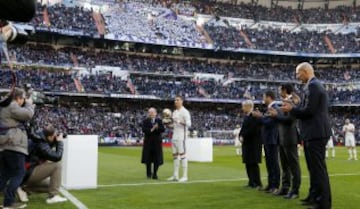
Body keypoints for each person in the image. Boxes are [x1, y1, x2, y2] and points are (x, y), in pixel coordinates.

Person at [281, 62, 332, 209]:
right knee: (313, 169)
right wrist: (294, 108)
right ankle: (314, 196)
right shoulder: (312, 85)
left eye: (298, 73)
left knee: (318, 169)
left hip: (316, 133)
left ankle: (323, 203)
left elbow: (309, 111)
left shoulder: (313, 86)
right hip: (313, 132)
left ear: (304, 71)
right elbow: (307, 109)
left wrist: (292, 109)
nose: (297, 76)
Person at [0, 88, 34, 209]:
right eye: (23, 98)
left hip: (5, 146)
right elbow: (28, 114)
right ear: (18, 98)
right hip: (14, 145)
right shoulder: (12, 105)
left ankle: (8, 202)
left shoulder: (4, 105)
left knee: (4, 175)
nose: (23, 101)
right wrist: (29, 105)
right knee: (20, 173)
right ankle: (9, 203)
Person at [19, 124, 67, 204]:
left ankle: (24, 189)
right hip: (27, 171)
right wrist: (60, 142)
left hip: (26, 172)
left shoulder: (40, 137)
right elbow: (57, 157)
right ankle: (53, 197)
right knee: (57, 165)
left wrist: (56, 140)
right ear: (49, 137)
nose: (55, 137)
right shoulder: (41, 143)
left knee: (52, 185)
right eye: (54, 136)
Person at [268, 84, 301, 199]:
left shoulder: (292, 102)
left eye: (279, 89)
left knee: (293, 165)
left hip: (290, 137)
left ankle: (295, 190)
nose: (278, 92)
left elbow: (289, 120)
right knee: (284, 165)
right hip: (282, 137)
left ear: (284, 90)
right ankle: (285, 188)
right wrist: (275, 115)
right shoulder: (284, 101)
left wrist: (276, 116)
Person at [252, 91, 280, 194]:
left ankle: (275, 185)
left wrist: (260, 117)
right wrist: (262, 117)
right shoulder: (269, 109)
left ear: (269, 97)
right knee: (269, 163)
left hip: (272, 139)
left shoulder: (275, 108)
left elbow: (269, 123)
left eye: (264, 97)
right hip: (267, 139)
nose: (263, 98)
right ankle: (270, 184)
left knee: (274, 163)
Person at [167, 96, 191, 183]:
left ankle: (185, 176)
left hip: (182, 136)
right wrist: (168, 124)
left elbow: (189, 124)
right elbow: (174, 125)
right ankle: (175, 175)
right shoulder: (175, 112)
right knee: (175, 156)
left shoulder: (185, 112)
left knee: (183, 155)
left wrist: (179, 121)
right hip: (175, 136)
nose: (175, 101)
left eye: (177, 100)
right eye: (175, 100)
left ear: (182, 101)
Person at [239, 100, 262, 189]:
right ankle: (251, 182)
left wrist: (243, 135)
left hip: (253, 144)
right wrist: (241, 135)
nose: (242, 108)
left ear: (248, 106)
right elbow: (243, 129)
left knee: (253, 163)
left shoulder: (254, 116)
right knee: (248, 163)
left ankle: (257, 182)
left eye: (244, 106)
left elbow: (253, 130)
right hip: (247, 143)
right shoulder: (247, 116)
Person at [141, 108, 165, 180]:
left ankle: (155, 174)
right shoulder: (145, 121)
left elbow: (163, 129)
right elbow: (144, 130)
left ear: (156, 113)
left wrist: (157, 128)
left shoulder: (159, 121)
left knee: (156, 159)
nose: (151, 114)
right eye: (149, 112)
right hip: (148, 143)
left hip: (157, 143)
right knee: (147, 159)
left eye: (152, 112)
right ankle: (148, 174)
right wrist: (152, 129)